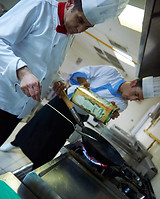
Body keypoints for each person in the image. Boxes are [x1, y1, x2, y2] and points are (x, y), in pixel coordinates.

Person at [0, 0, 129, 147]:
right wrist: (22, 72)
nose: (80, 29)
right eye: (80, 20)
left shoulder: (69, 34)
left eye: (87, 27)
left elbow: (48, 65)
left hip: (18, 111)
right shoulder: (39, 6)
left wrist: (57, 79)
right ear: (69, 3)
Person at [1, 64, 158, 169]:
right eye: (135, 94)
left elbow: (97, 118)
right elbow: (84, 72)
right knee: (38, 123)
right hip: (64, 101)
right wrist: (83, 83)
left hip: (77, 116)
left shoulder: (122, 105)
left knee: (54, 140)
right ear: (133, 83)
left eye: (136, 99)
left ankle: (38, 165)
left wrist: (107, 115)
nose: (131, 99)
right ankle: (16, 143)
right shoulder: (111, 72)